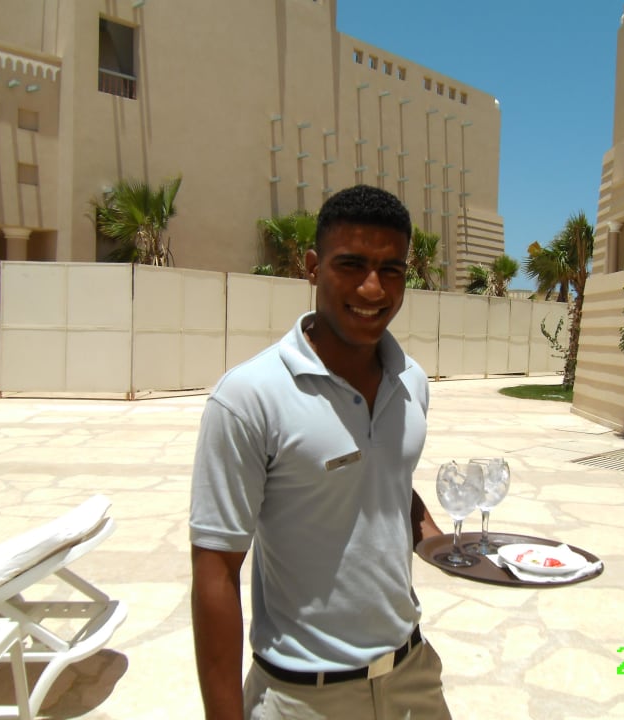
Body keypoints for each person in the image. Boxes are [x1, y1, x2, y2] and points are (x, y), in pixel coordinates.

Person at [190, 184, 452, 720]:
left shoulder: (411, 381)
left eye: (391, 269)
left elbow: (388, 479)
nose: (373, 288)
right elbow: (216, 568)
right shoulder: (249, 397)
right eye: (351, 265)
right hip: (303, 696)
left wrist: (440, 541)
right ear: (312, 267)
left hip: (413, 678)